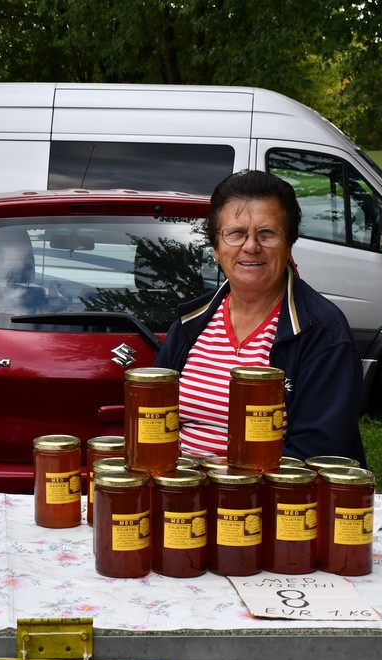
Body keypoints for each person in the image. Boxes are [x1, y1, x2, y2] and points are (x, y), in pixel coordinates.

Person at [155, 170, 366, 466]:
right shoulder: (190, 324)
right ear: (216, 248)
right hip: (183, 503)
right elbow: (154, 425)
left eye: (267, 233)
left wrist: (219, 478)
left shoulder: (323, 333)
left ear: (289, 243)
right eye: (236, 233)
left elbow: (318, 455)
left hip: (273, 506)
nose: (251, 246)